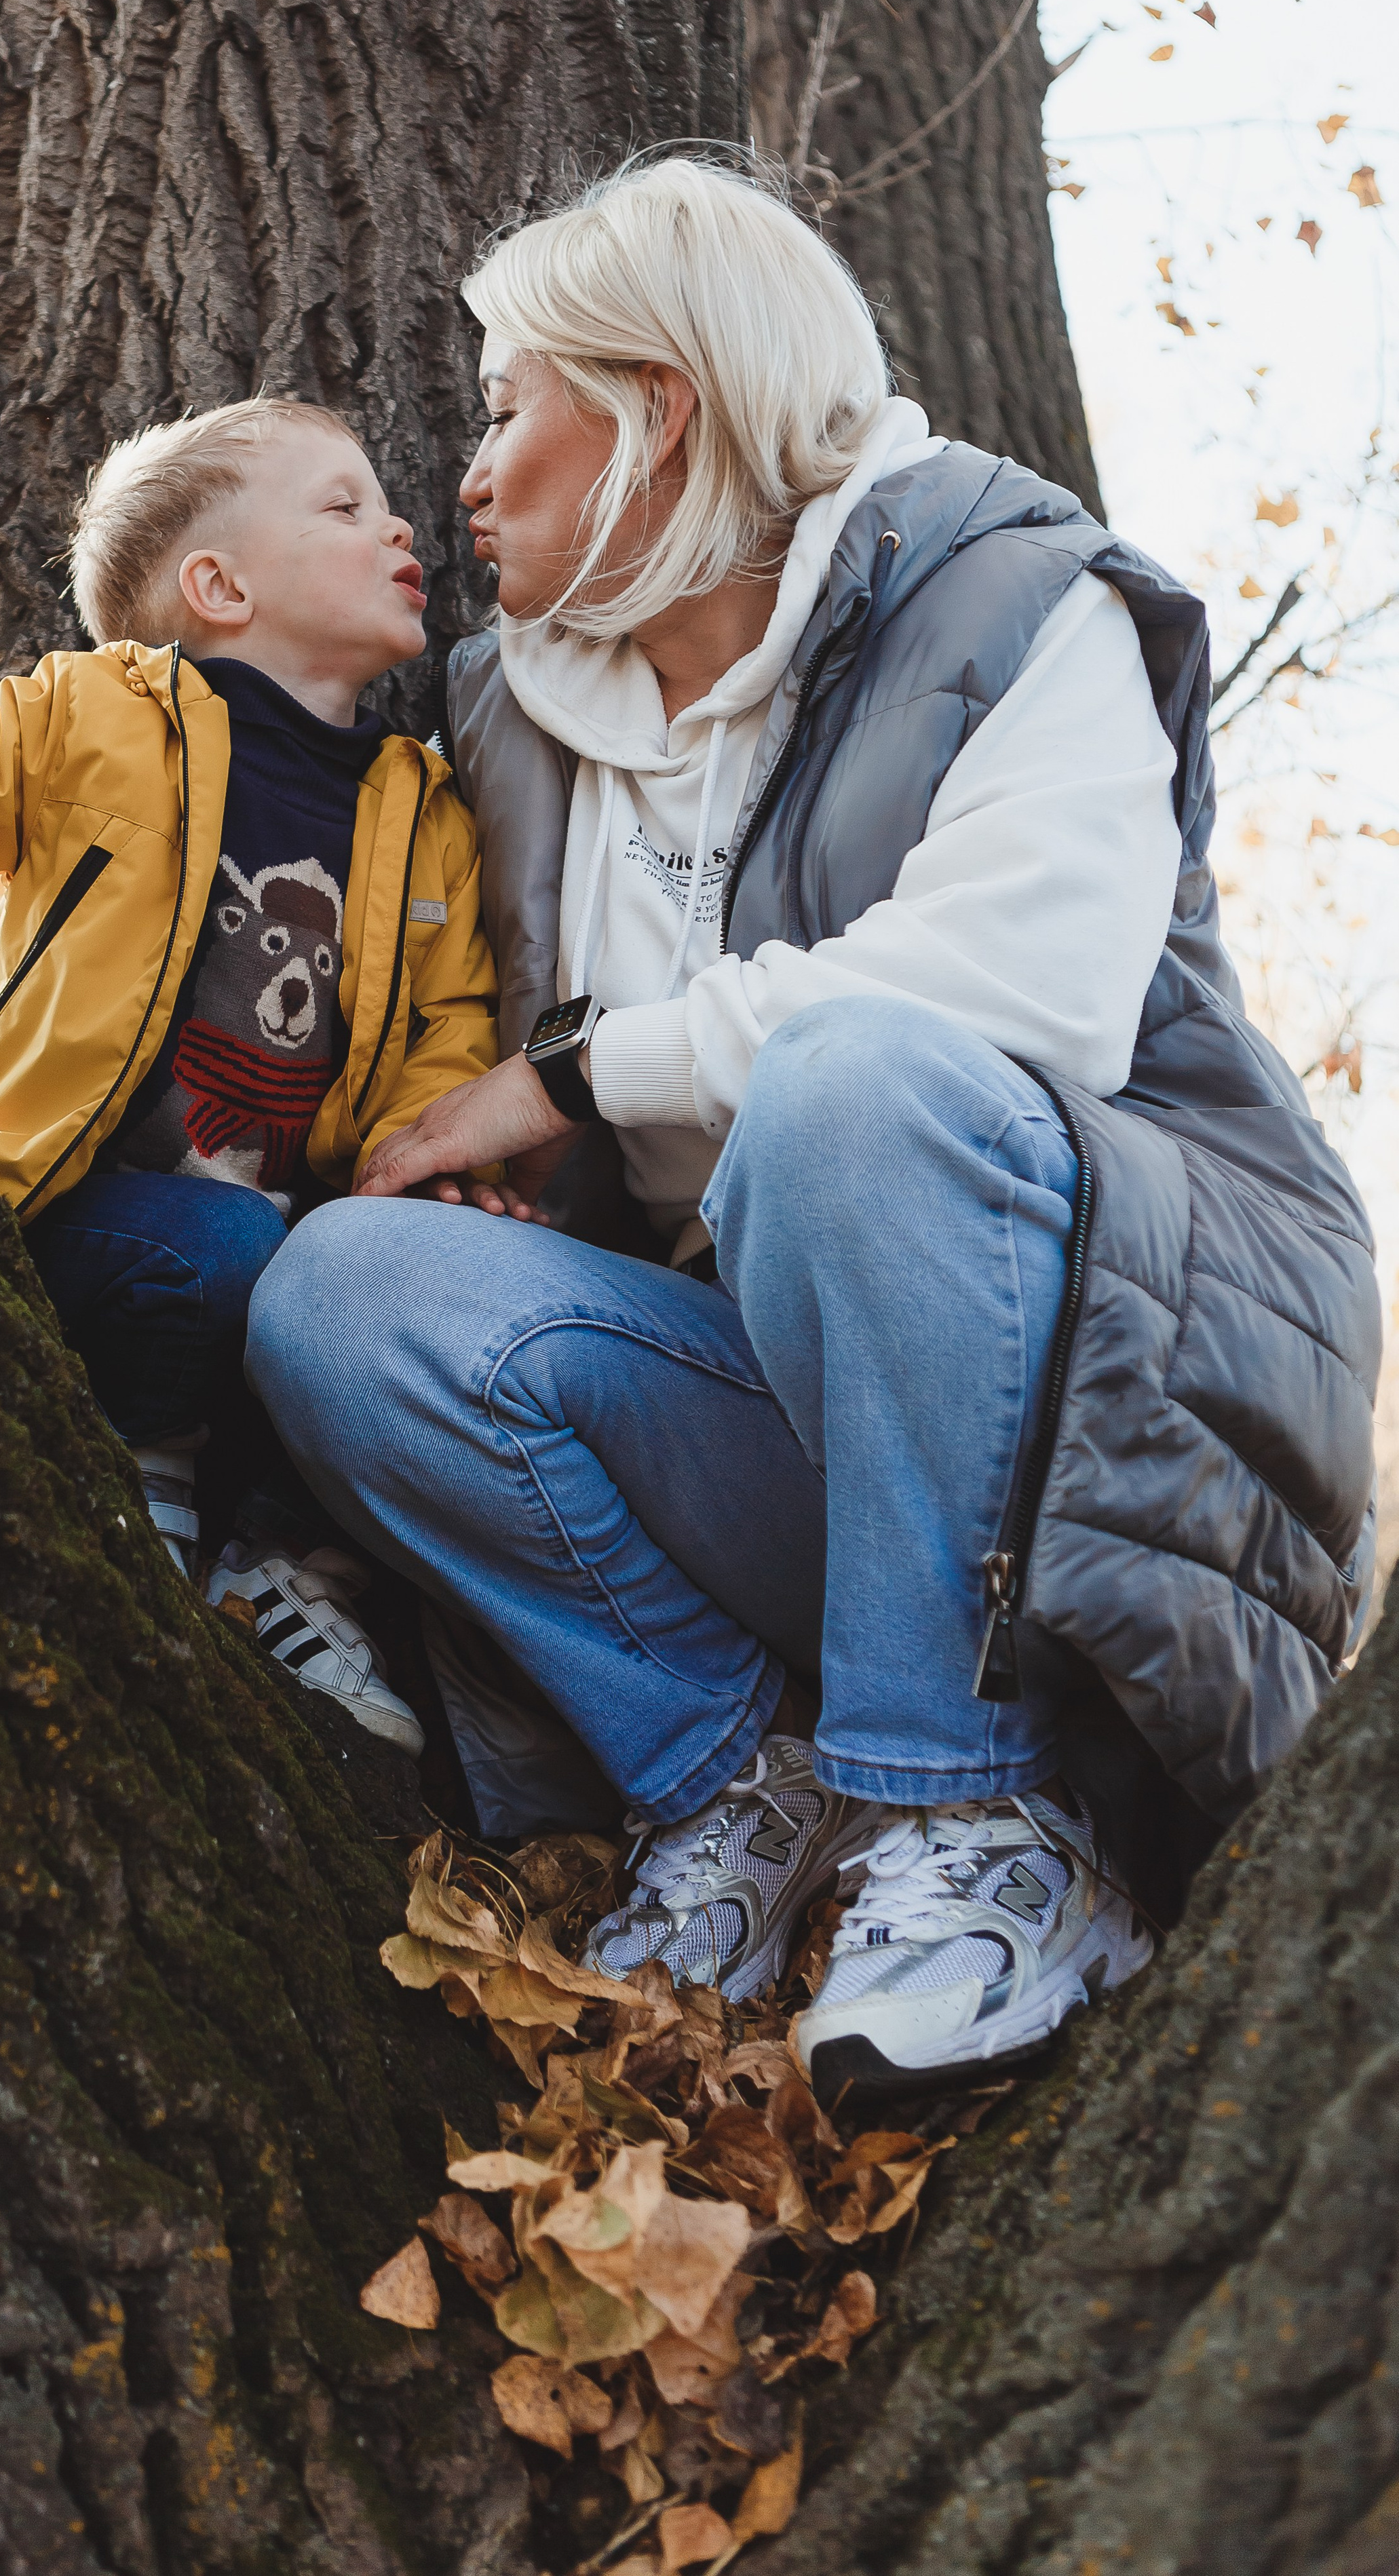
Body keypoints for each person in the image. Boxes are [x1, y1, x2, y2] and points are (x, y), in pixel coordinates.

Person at [245, 157, 1382, 2094]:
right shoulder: (505, 725)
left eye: (515, 404)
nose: (471, 470)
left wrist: (580, 1077)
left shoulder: (1021, 596)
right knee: (343, 1294)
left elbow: (1008, 993)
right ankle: (738, 1790)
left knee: (851, 1091)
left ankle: (987, 1828)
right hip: (791, 1438)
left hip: (1101, 1445)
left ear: (661, 408)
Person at [0, 398, 501, 1757]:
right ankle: (142, 1500)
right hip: (72, 1229)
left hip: (272, 1262)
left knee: (369, 1294)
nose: (401, 524)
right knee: (218, 1243)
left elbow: (448, 1034)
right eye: (345, 505)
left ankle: (276, 1569)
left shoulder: (423, 815)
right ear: (219, 585)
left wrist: (451, 1179)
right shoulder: (98, 723)